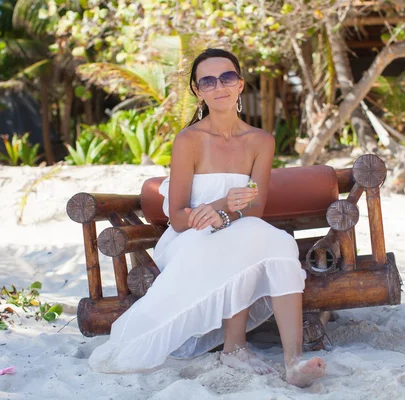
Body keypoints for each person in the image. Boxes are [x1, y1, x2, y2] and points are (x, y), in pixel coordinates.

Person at [89, 48, 326, 387]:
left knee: (276, 242)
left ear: (240, 84)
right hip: (188, 240)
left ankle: (294, 363)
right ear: (198, 91)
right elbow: (178, 218)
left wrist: (225, 215)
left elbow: (255, 210)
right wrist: (219, 205)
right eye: (208, 81)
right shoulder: (189, 140)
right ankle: (234, 348)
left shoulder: (260, 140)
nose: (220, 86)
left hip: (241, 231)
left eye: (227, 77)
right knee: (255, 240)